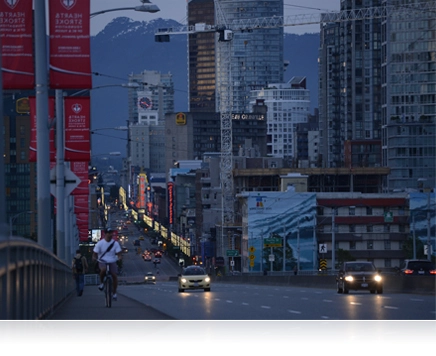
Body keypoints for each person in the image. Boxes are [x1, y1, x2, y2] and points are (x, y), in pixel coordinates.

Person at [92, 227, 122, 301]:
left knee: (114, 275)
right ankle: (101, 283)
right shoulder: (100, 243)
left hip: (112, 261)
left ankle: (114, 293)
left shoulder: (115, 243)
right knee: (103, 270)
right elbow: (95, 254)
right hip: (102, 261)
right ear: (105, 234)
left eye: (111, 233)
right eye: (108, 233)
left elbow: (119, 253)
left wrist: (119, 257)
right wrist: (94, 258)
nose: (110, 235)